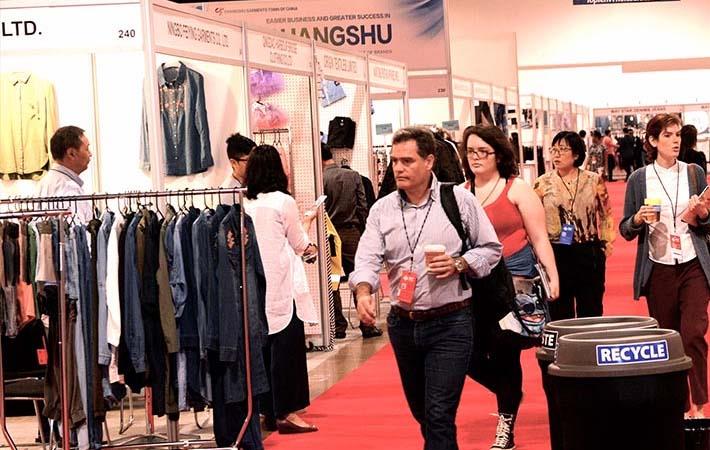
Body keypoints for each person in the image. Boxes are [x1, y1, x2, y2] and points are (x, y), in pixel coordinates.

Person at [350, 127, 502, 450]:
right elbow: (366, 257)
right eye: (394, 161)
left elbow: (491, 249)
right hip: (403, 326)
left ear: (429, 161)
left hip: (451, 323)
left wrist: (459, 263)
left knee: (438, 414)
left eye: (407, 161)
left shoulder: (459, 199)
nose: (398, 168)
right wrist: (363, 291)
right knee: (423, 413)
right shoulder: (382, 210)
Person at [459, 125, 559, 450]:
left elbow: (539, 236)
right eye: (470, 151)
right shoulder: (461, 193)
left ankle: (506, 426)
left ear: (498, 155)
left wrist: (552, 275)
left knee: (506, 352)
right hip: (476, 284)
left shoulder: (517, 189)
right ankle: (510, 392)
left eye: (483, 151)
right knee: (467, 353)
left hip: (516, 281)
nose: (476, 158)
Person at [619, 113, 710, 419]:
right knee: (669, 337)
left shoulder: (694, 172)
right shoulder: (638, 179)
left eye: (677, 135)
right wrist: (637, 219)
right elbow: (625, 229)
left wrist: (702, 214)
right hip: (659, 266)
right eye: (668, 135)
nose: (675, 141)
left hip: (693, 263)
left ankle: (700, 404)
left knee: (693, 332)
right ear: (653, 141)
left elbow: (708, 221)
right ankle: (679, 405)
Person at [244, 145, 320, 434]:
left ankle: (268, 410)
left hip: (254, 286)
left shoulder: (245, 203)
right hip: (282, 285)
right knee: (287, 352)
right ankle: (287, 412)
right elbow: (300, 244)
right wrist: (310, 229)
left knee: (263, 351)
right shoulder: (283, 201)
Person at [533, 131, 615, 320]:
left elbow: (606, 214)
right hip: (556, 252)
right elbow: (533, 220)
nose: (556, 155)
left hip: (588, 250)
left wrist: (606, 245)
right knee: (560, 312)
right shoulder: (542, 183)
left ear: (576, 154)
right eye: (553, 150)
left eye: (562, 150)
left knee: (591, 309)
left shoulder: (593, 180)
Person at [321, 144, 382, 339]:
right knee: (359, 276)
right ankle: (367, 324)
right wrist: (363, 230)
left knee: (333, 281)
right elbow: (362, 206)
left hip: (329, 234)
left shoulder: (319, 179)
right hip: (351, 232)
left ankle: (338, 326)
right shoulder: (353, 176)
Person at [37, 125, 93, 221]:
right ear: (71, 153)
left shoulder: (44, 183)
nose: (90, 154)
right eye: (87, 149)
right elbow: (76, 229)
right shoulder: (70, 189)